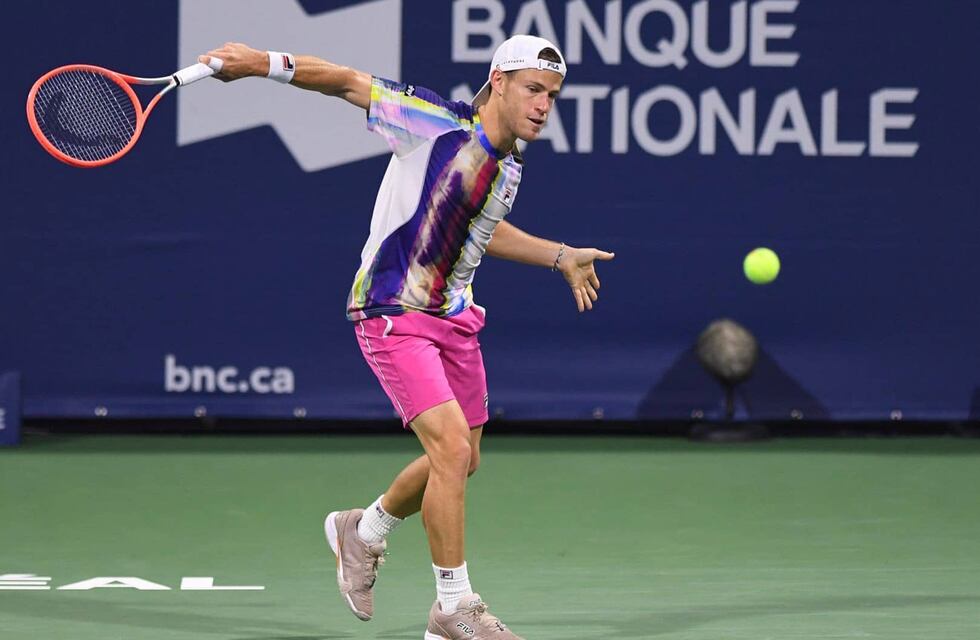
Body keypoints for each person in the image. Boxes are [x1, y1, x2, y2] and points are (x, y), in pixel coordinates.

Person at [200, 34, 614, 640]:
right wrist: (261, 65)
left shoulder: (507, 167)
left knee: (464, 459)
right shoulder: (432, 121)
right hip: (391, 309)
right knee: (448, 449)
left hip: (454, 317)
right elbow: (344, 80)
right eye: (533, 89)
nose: (544, 105)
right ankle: (453, 607)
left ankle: (361, 531)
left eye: (552, 95)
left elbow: (479, 229)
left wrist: (559, 256)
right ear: (498, 82)